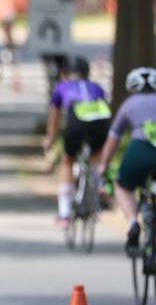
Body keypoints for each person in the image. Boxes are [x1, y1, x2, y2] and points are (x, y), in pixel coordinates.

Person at [99, 67, 156, 293]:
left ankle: (133, 223)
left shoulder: (129, 104)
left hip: (140, 150)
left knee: (122, 186)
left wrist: (103, 166)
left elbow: (112, 141)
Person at [42, 56, 111, 226]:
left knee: (67, 161)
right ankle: (99, 184)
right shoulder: (97, 87)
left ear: (64, 74)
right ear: (87, 74)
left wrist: (51, 138)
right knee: (96, 153)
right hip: (100, 121)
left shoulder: (61, 87)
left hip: (77, 121)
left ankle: (64, 214)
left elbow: (55, 117)